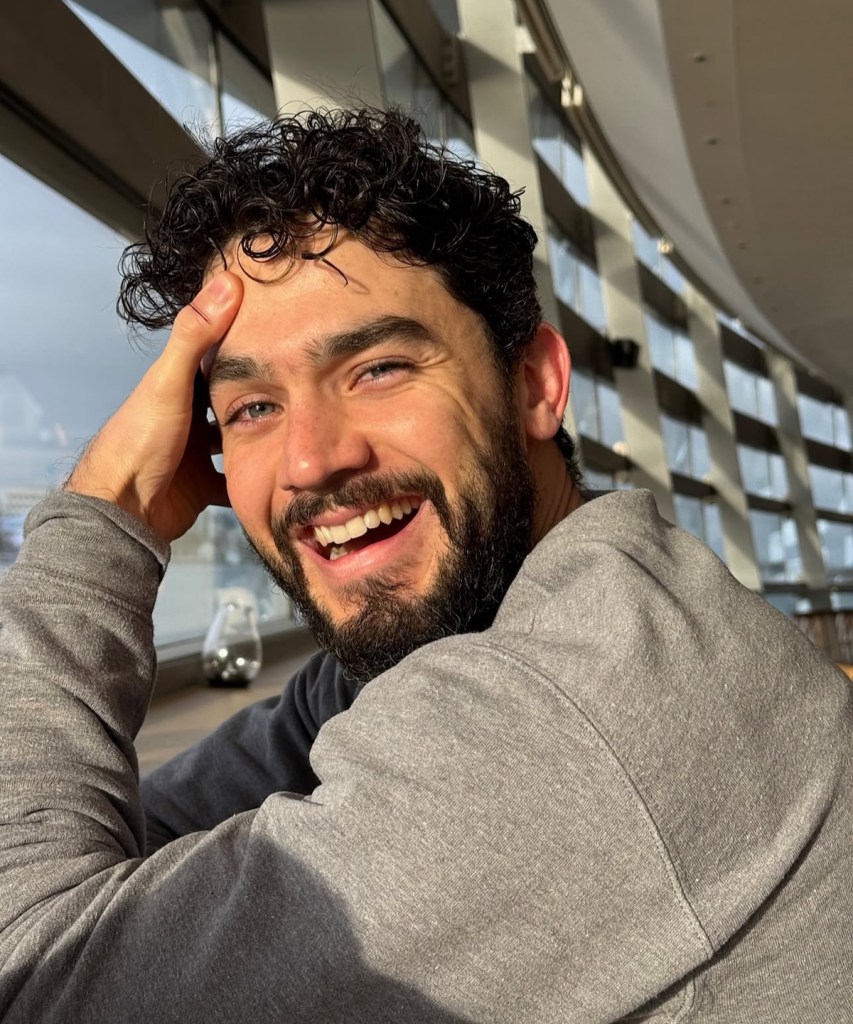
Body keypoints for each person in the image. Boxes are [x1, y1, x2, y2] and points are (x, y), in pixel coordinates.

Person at [0, 107, 850, 1023]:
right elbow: (149, 836)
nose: (310, 460)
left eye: (378, 368)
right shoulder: (465, 635)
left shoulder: (574, 703)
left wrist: (107, 508)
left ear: (534, 385)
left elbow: (32, 983)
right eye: (251, 408)